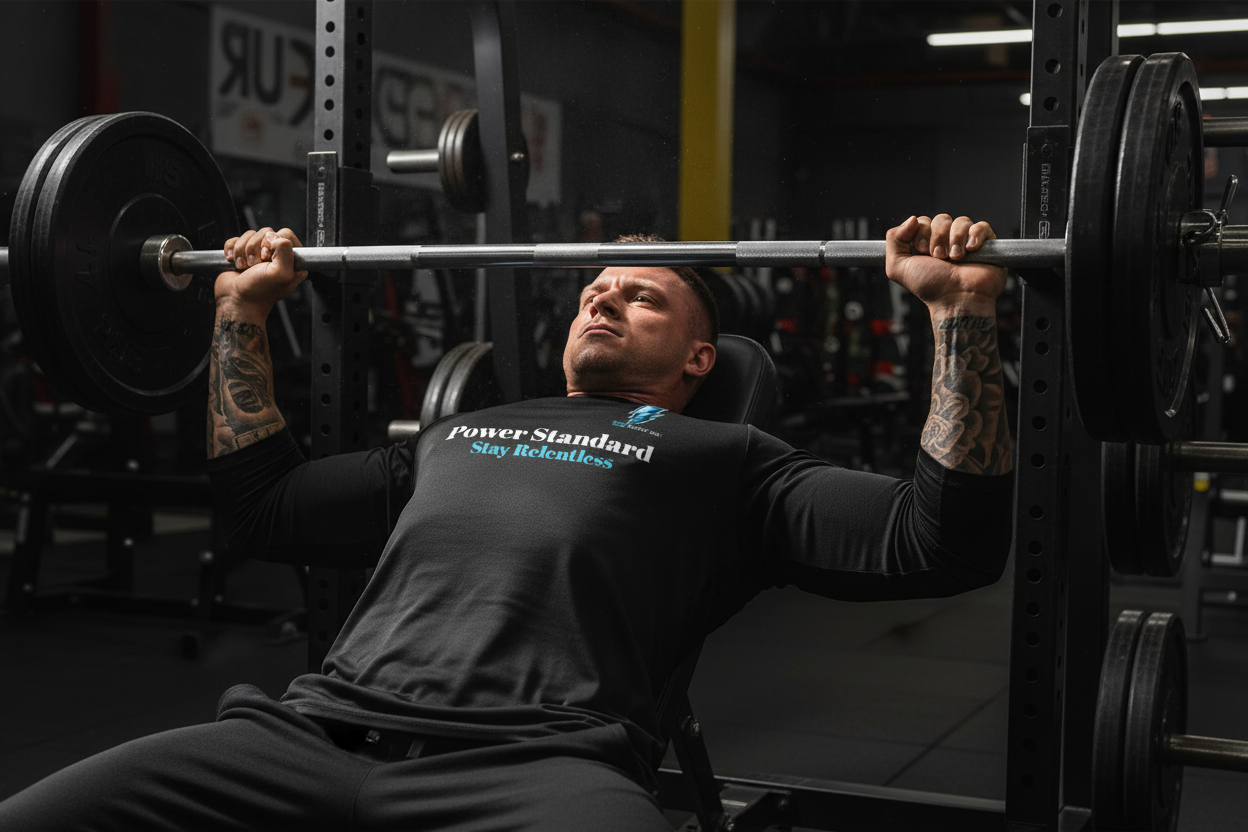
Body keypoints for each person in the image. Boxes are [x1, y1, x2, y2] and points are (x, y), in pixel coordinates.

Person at [0, 215, 1013, 831]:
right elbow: (264, 505)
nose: (605, 301)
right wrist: (239, 308)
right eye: (593, 291)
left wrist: (959, 312)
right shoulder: (464, 432)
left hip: (538, 771)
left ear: (703, 359)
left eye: (643, 298)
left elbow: (941, 539)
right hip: (307, 734)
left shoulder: (732, 461)